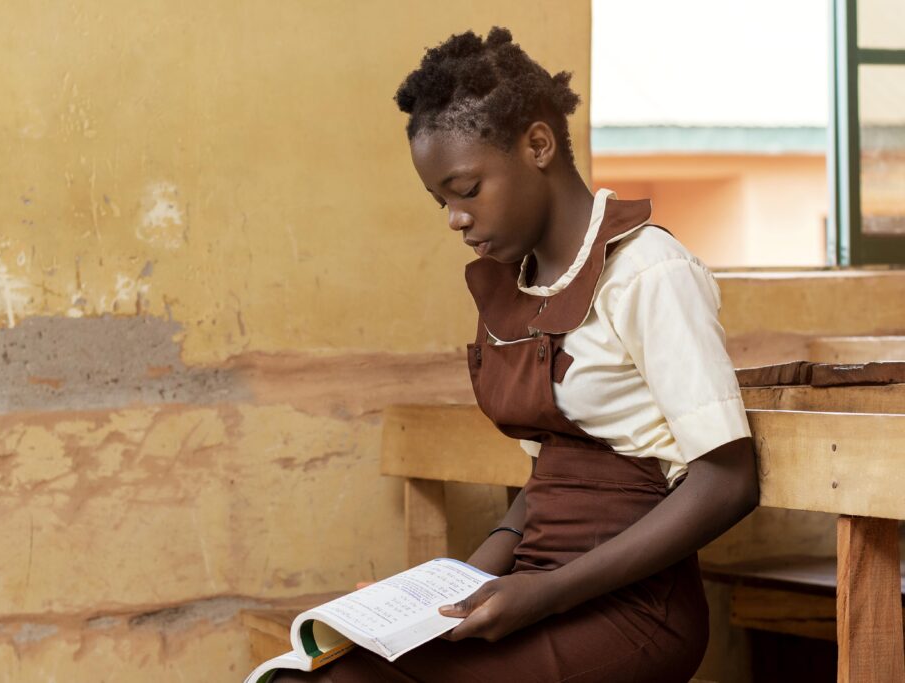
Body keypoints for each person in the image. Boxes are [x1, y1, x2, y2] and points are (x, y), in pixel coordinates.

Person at [274, 26, 758, 682]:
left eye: (466, 189)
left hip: (638, 610)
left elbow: (727, 480)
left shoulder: (648, 271)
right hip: (535, 590)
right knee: (332, 666)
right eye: (439, 200)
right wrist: (452, 588)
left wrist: (547, 593)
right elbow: (551, 479)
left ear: (537, 144)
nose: (454, 218)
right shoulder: (520, 287)